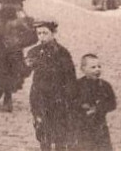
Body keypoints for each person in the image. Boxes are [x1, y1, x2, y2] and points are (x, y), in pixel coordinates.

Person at [25, 19, 78, 150]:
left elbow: (70, 77)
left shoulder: (63, 53)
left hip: (59, 98)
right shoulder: (34, 51)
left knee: (60, 134)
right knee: (43, 132)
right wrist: (26, 65)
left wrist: (71, 98)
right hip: (40, 97)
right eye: (39, 33)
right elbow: (24, 71)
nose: (42, 37)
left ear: (53, 34)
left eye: (45, 33)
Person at [75, 53, 117, 150]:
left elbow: (112, 104)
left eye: (99, 66)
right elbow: (71, 102)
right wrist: (81, 107)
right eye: (93, 67)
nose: (97, 69)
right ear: (83, 69)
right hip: (81, 128)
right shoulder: (77, 85)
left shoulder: (105, 86)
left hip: (100, 127)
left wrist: (98, 109)